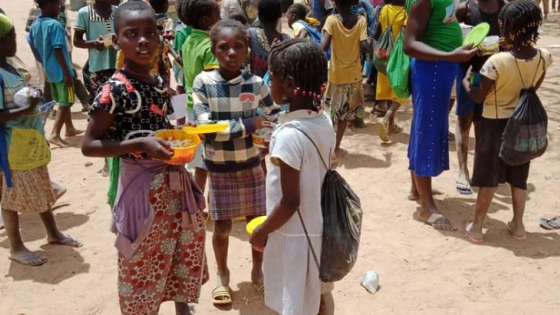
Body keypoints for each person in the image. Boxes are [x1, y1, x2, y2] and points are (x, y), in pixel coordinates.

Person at [81, 2, 208, 314]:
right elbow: (90, 144)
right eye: (131, 34)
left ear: (160, 36)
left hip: (172, 184)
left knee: (179, 244)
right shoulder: (114, 89)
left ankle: (181, 306)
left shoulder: (157, 81)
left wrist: (183, 132)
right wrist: (141, 143)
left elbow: (162, 126)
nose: (142, 41)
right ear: (117, 39)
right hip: (142, 191)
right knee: (140, 257)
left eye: (150, 33)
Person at [249, 38, 335, 315]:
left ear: (287, 85)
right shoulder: (324, 120)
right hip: (321, 230)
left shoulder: (288, 135)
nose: (268, 82)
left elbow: (289, 201)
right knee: (319, 295)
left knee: (296, 300)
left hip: (294, 237)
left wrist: (262, 231)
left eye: (270, 77)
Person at [192, 19, 274, 304]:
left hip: (251, 165)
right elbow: (206, 129)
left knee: (257, 224)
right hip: (220, 169)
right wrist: (249, 125)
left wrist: (263, 130)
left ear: (247, 50)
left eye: (238, 46)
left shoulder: (255, 83)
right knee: (222, 227)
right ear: (214, 50)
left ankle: (258, 272)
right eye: (223, 47)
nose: (231, 52)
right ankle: (222, 274)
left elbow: (273, 114)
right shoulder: (203, 83)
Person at [462, 0, 552, 243]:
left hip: (495, 123)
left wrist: (467, 83)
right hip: (522, 124)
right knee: (519, 176)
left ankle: (477, 227)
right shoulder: (544, 57)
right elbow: (532, 89)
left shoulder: (497, 62)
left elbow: (479, 97)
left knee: (489, 177)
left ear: (508, 28)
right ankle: (519, 226)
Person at [0, 14, 82, 267]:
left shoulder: (9, 65)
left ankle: (53, 233)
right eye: (11, 37)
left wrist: (33, 99)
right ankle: (16, 246)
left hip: (30, 141)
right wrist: (25, 110)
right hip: (13, 146)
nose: (16, 41)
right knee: (10, 196)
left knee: (43, 187)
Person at [403, 0, 477, 230]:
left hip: (441, 69)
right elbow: (410, 44)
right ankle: (426, 207)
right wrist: (450, 56)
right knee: (427, 131)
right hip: (431, 71)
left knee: (425, 128)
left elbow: (440, 22)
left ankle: (417, 189)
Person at [454, 0, 505, 194]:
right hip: (469, 72)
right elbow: (452, 37)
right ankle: (462, 170)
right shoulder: (465, 9)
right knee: (465, 119)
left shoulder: (504, 7)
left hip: (493, 75)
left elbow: (511, 38)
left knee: (485, 122)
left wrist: (504, 43)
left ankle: (481, 170)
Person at [74, 0, 119, 177]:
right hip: (98, 70)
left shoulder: (118, 11)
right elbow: (77, 41)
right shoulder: (85, 13)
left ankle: (118, 157)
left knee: (120, 113)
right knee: (102, 115)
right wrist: (94, 44)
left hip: (118, 67)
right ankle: (107, 161)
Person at [31, 0, 84, 148]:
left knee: (62, 99)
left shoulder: (36, 25)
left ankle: (70, 128)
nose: (60, 7)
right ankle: (55, 133)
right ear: (49, 5)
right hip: (61, 70)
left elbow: (35, 46)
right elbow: (59, 49)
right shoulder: (55, 25)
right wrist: (68, 73)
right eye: (57, 4)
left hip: (49, 69)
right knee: (66, 102)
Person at [180, 0, 221, 191]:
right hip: (208, 110)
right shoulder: (209, 46)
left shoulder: (188, 40)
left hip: (191, 107)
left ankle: (197, 204)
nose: (220, 20)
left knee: (201, 162)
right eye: (218, 17)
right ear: (207, 20)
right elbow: (214, 83)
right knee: (213, 159)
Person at [321, 0, 369, 159]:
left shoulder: (331, 20)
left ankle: (326, 148)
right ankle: (336, 148)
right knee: (344, 114)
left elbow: (324, 47)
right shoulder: (361, 20)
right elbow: (364, 46)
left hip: (336, 75)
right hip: (353, 74)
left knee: (330, 112)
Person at [373, 0, 407, 142]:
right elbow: (405, 36)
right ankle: (386, 119)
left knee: (388, 89)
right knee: (402, 89)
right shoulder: (405, 14)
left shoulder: (385, 9)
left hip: (383, 55)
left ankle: (392, 126)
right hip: (398, 56)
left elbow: (377, 32)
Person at [249, 0, 290, 78]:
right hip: (277, 88)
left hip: (256, 87)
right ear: (280, 15)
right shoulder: (286, 40)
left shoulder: (251, 34)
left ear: (260, 16)